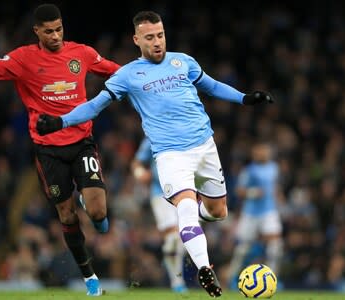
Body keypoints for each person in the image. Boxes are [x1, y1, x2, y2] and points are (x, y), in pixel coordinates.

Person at [35, 10, 274, 297]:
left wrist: (244, 98)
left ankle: (193, 228)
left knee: (217, 211)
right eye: (150, 37)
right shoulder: (127, 75)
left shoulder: (182, 61)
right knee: (185, 205)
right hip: (170, 154)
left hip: (205, 147)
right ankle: (203, 267)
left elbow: (210, 86)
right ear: (137, 39)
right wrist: (62, 121)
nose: (157, 42)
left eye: (160, 35)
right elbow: (95, 106)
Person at [0, 4, 120, 296]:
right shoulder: (23, 58)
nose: (55, 36)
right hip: (48, 150)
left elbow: (117, 71)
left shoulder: (81, 53)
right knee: (66, 215)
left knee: (100, 214)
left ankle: (94, 209)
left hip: (81, 142)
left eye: (59, 29)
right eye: (48, 31)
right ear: (36, 31)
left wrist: (150, 75)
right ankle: (89, 278)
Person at [222, 142, 283, 287]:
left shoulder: (274, 168)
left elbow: (274, 186)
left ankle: (272, 279)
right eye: (260, 152)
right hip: (250, 213)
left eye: (266, 151)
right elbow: (239, 190)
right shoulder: (249, 171)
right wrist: (253, 192)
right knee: (243, 249)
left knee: (275, 246)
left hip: (269, 211)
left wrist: (278, 197)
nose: (264, 154)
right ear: (255, 154)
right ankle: (232, 278)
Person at [131, 137, 187, 293]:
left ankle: (171, 262)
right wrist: (140, 173)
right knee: (173, 237)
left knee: (184, 239)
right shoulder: (152, 138)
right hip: (161, 195)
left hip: (186, 193)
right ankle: (177, 282)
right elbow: (137, 163)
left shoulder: (188, 133)